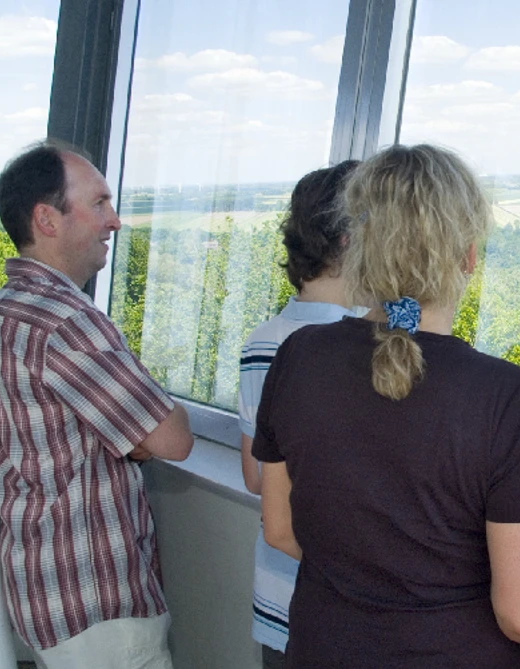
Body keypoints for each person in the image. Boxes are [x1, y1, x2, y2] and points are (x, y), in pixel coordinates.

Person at [251, 144, 520, 668]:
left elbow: (279, 527)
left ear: (359, 246)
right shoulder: (501, 394)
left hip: (324, 648)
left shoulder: (297, 356)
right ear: (467, 256)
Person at [0, 140, 193, 669]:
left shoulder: (0, 311)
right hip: (96, 600)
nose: (113, 221)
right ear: (47, 219)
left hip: (43, 582)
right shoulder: (66, 320)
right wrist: (145, 427)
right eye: (99, 204)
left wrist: (129, 432)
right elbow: (172, 439)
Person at [236, 159, 359, 668]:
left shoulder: (262, 341)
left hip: (279, 597)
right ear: (351, 238)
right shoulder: (369, 350)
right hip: (347, 600)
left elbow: (255, 475)